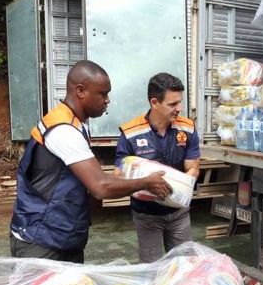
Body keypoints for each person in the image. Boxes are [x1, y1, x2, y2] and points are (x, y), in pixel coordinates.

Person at [9, 60, 172, 263]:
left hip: (62, 235)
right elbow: (100, 186)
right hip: (41, 241)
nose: (108, 100)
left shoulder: (75, 124)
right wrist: (147, 182)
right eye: (103, 94)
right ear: (80, 91)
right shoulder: (63, 130)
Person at [114, 72, 200, 263]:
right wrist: (146, 184)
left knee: (184, 266)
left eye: (180, 102)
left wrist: (180, 191)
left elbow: (193, 167)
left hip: (179, 214)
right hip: (147, 215)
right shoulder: (131, 133)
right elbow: (119, 175)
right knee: (150, 269)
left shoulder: (188, 128)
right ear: (154, 103)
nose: (180, 108)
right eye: (173, 104)